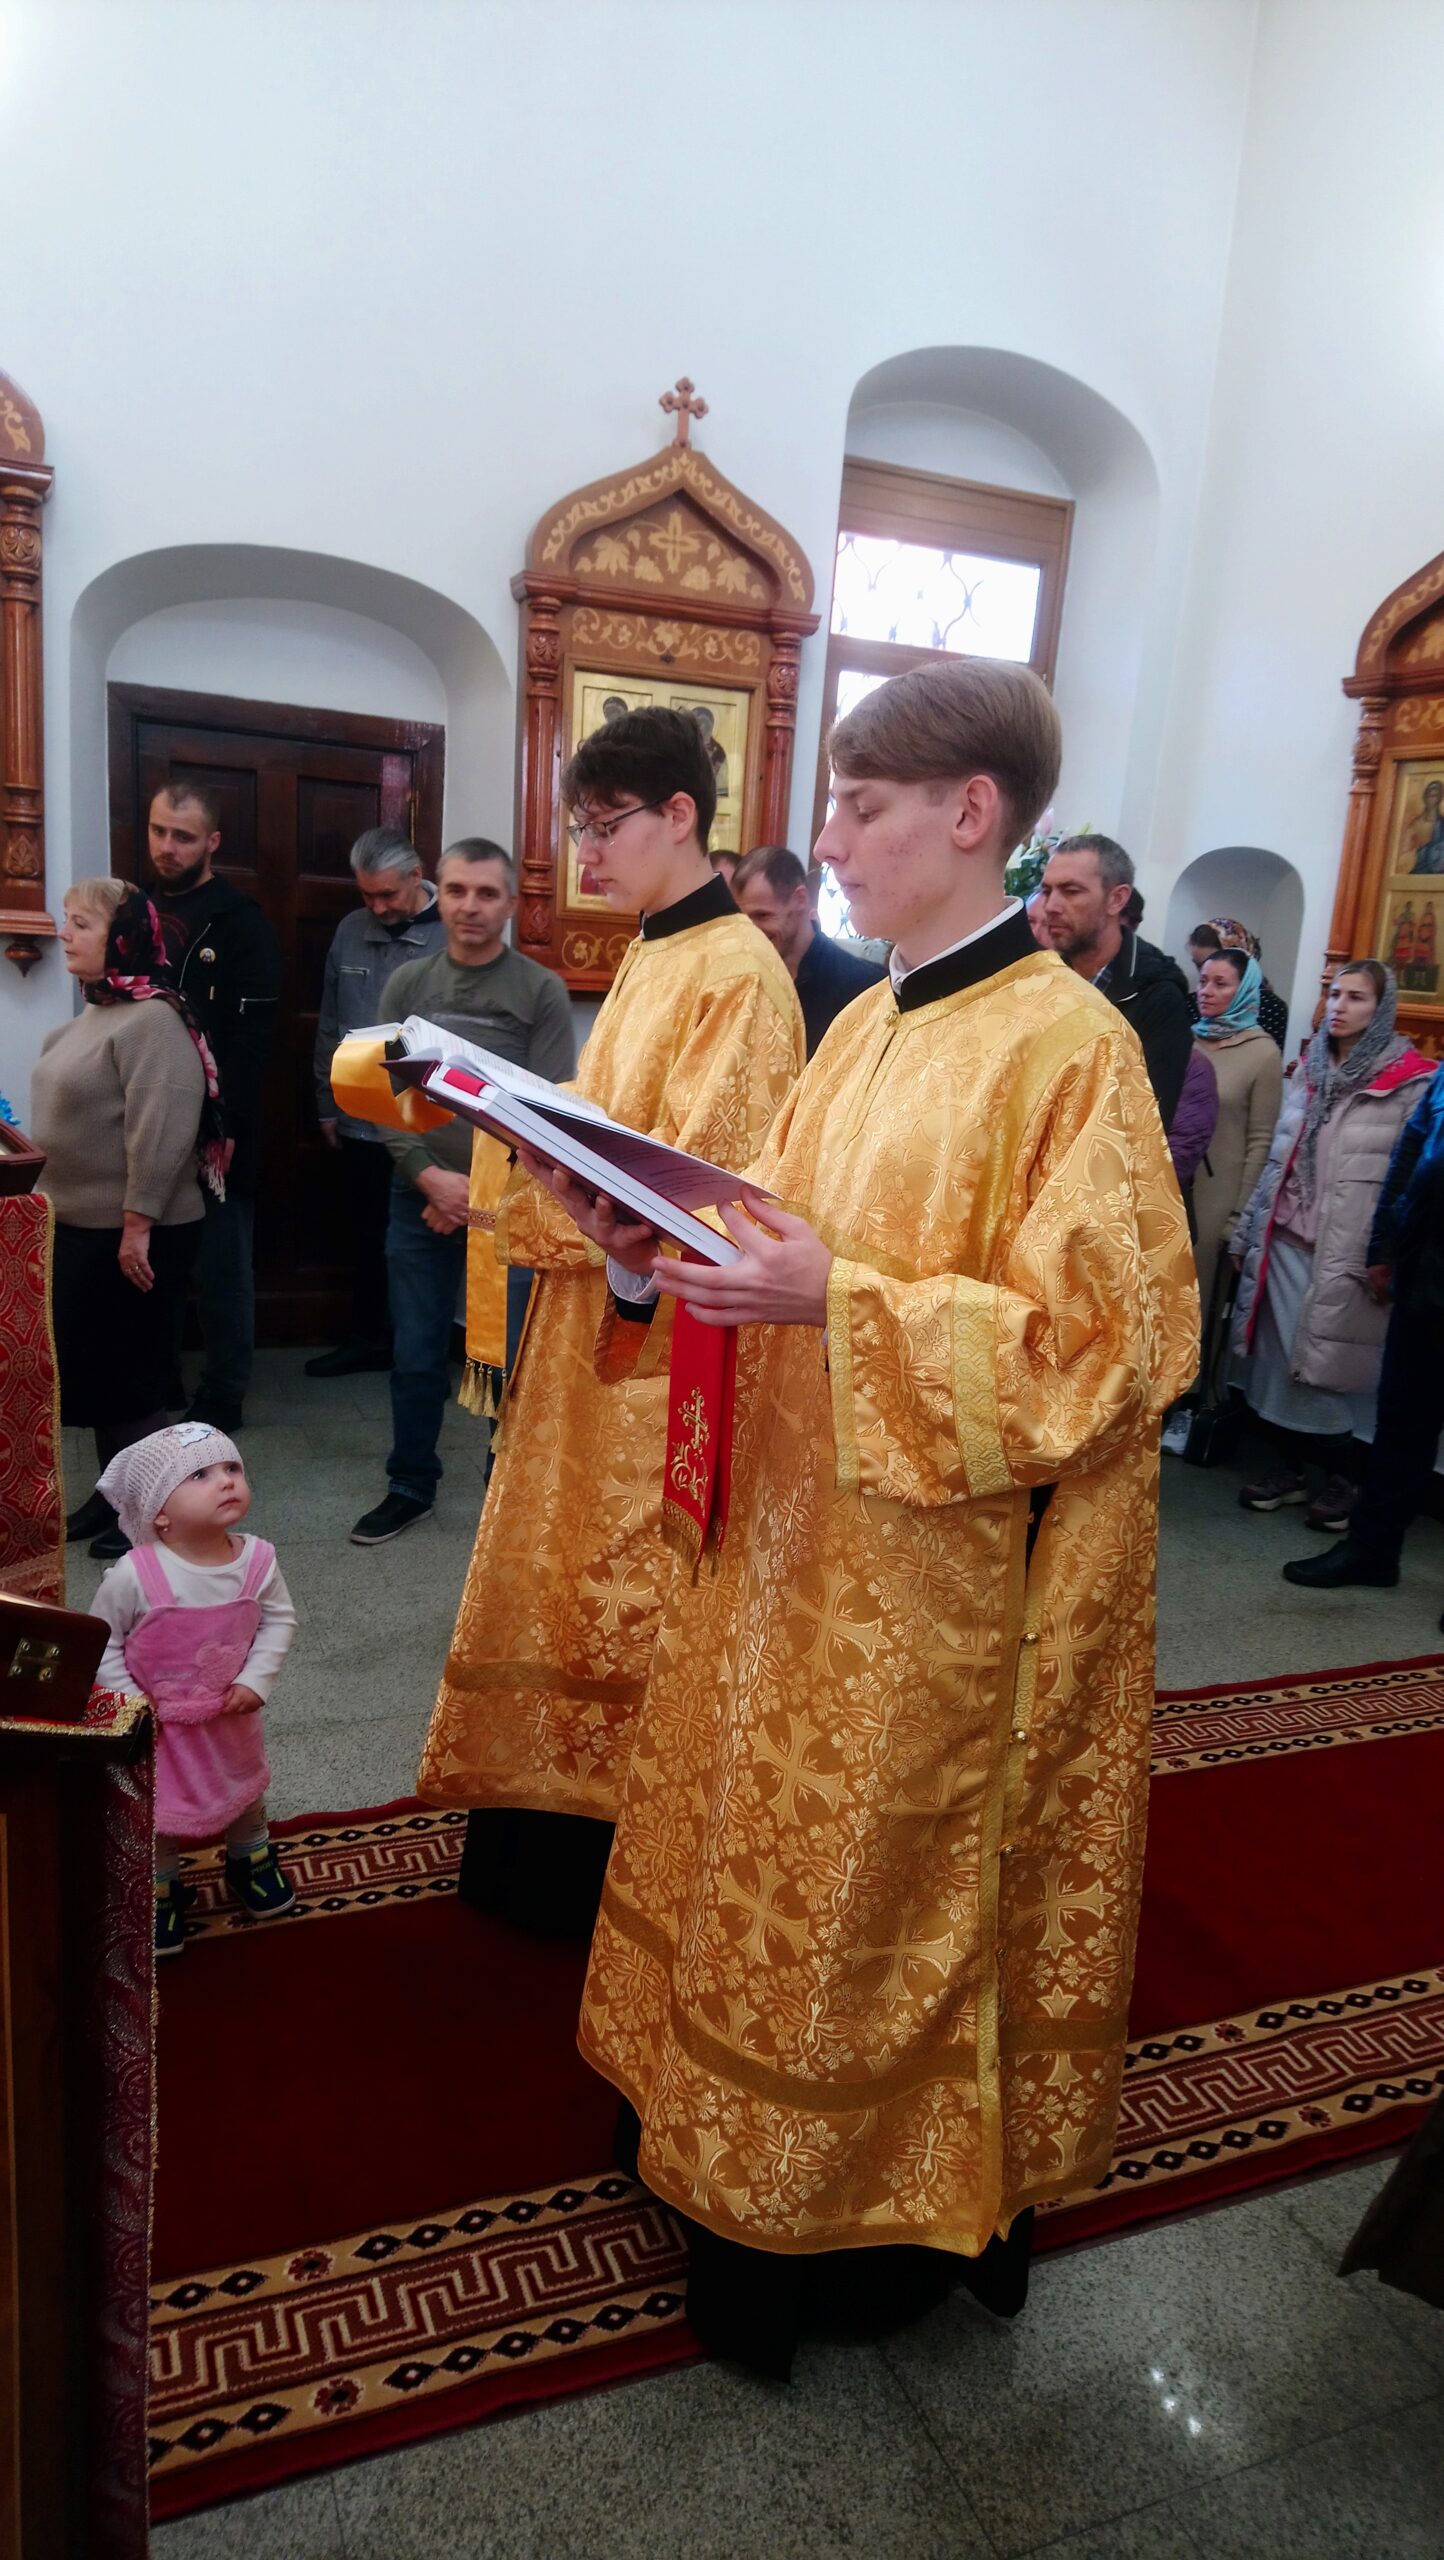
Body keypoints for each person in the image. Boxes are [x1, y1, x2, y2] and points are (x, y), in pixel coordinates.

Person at [523, 661, 1197, 2369]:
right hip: (782, 1542)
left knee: (860, 1898)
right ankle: (701, 2145)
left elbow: (1108, 1357)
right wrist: (641, 1245)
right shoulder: (863, 1024)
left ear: (969, 813)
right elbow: (765, 1241)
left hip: (925, 1588)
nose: (821, 841)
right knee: (748, 1859)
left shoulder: (1072, 1049)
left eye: (857, 806)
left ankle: (840, 2232)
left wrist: (843, 1302)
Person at [416, 709, 804, 1935]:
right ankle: (533, 1846)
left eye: (602, 826)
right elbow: (615, 1111)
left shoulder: (738, 972)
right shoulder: (653, 949)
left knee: (623, 1594)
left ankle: (608, 1872)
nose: (582, 852)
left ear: (678, 815)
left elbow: (710, 1184)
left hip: (653, 1359)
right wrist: (508, 1116)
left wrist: (569, 1174)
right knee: (555, 1572)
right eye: (579, 827)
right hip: (585, 1338)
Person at [349, 839, 575, 1545]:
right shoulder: (407, 984)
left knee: (507, 1356)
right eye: (456, 890)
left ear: (510, 905)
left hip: (507, 1202)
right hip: (420, 1196)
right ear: (436, 895)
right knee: (416, 1353)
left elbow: (547, 1108)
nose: (469, 906)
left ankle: (503, 1489)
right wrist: (428, 1177)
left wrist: (476, 1192)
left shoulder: (540, 991)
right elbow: (382, 1095)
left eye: (485, 893)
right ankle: (409, 1483)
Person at [30, 882, 222, 1561]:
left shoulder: (154, 1020)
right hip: (80, 1226)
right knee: (96, 1376)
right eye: (67, 921)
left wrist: (137, 1223)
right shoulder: (90, 1017)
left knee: (131, 1379)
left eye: (81, 924)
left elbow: (161, 1128)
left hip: (138, 1230)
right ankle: (114, 1498)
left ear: (123, 938)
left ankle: (156, 1510)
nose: (65, 933)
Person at [1230, 960, 1434, 1532]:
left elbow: (1408, 1180)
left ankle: (1346, 1479)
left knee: (1326, 1368)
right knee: (1279, 1365)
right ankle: (1291, 1469)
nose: (1339, 1007)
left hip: (1346, 1250)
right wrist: (1247, 1233)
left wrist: (1389, 1252)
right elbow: (1277, 1159)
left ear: (1381, 1007)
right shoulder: (1309, 1069)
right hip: (1286, 1238)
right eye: (1335, 994)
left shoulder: (1410, 1081)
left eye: (1356, 997)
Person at [91, 1424, 297, 1958]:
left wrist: (255, 1679)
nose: (226, 1481)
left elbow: (279, 1621)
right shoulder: (134, 1576)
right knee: (160, 1805)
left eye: (232, 1468)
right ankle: (160, 1886)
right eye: (200, 1475)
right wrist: (130, 1703)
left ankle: (250, 1858)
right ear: (158, 1512)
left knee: (243, 1784)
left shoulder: (258, 1561)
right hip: (158, 1724)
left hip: (229, 1714)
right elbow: (102, 1642)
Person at [1281, 1060, 1443, 1608]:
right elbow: (1408, 1158)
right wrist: (1384, 1250)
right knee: (1402, 1424)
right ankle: (1372, 1551)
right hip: (1425, 1276)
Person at [147, 782, 281, 1431]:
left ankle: (224, 1392)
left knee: (222, 1268)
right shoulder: (136, 911)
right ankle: (159, 1378)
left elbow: (254, 1040)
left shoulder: (240, 921)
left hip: (217, 1128)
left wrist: (222, 1123)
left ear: (212, 842)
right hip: (148, 1119)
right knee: (153, 1259)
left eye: (184, 836)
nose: (167, 847)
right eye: (159, 831)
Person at [307, 828, 445, 1378]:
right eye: (367, 895)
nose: (377, 907)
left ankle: (420, 1352)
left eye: (386, 894)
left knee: (425, 1244)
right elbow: (329, 1022)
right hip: (361, 1117)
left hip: (429, 1124)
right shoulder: (350, 930)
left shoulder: (454, 933)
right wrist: (326, 1102)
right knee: (366, 1236)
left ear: (416, 877)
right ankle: (367, 1338)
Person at [1040, 834, 1194, 1129]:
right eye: (1047, 891)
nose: (1051, 906)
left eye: (1070, 891)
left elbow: (1144, 1123)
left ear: (1116, 899)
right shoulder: (1042, 978)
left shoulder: (1157, 997)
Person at [1189, 946, 1283, 1317]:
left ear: (1244, 990)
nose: (1206, 991)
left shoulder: (1262, 1053)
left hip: (1217, 1201)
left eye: (1220, 984)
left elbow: (1261, 1142)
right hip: (1171, 1186)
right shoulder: (1187, 1040)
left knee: (1194, 1306)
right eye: (1203, 981)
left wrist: (1238, 1218)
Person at [731, 843, 885, 1055]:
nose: (751, 931)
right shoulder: (741, 980)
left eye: (763, 915)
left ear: (800, 899)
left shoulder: (865, 988)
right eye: (743, 919)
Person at [1186, 920, 1289, 1052]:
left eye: (1220, 983)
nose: (1204, 971)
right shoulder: (1191, 1002)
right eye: (1198, 965)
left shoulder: (1271, 1007)